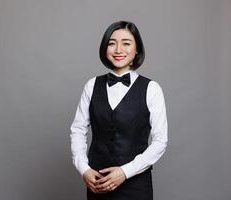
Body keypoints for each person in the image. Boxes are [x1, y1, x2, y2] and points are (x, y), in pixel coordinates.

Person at [70, 21, 168, 200]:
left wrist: (125, 171)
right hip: (97, 182)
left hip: (136, 184)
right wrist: (84, 169)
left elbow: (160, 141)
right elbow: (78, 130)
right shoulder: (91, 85)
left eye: (126, 43)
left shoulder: (151, 88)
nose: (118, 49)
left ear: (136, 49)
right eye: (112, 43)